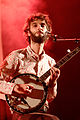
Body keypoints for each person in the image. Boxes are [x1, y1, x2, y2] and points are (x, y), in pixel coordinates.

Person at [0, 13, 60, 120]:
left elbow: (49, 97)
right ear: (28, 32)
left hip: (42, 112)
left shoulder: (50, 62)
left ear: (48, 32)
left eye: (42, 25)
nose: (39, 28)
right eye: (35, 25)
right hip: (21, 113)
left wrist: (53, 82)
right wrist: (15, 87)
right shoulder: (17, 57)